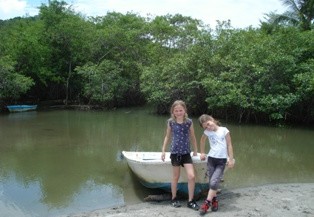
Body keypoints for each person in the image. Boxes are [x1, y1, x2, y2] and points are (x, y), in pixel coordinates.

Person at [161, 100, 199, 210]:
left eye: (180, 110)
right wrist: (163, 151)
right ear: (173, 111)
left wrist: (195, 150)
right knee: (175, 177)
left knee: (191, 176)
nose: (178, 112)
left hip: (186, 153)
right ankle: (174, 198)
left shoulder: (189, 122)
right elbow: (167, 137)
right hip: (175, 153)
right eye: (176, 111)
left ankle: (190, 201)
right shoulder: (170, 122)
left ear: (184, 110)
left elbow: (193, 136)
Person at [198, 114, 235, 215]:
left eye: (209, 124)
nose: (208, 127)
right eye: (206, 127)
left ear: (212, 120)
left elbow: (229, 144)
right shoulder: (207, 132)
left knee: (214, 183)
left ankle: (206, 203)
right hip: (211, 159)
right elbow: (202, 140)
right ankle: (214, 201)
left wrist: (230, 159)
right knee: (212, 183)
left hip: (221, 161)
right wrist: (202, 153)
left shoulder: (224, 130)